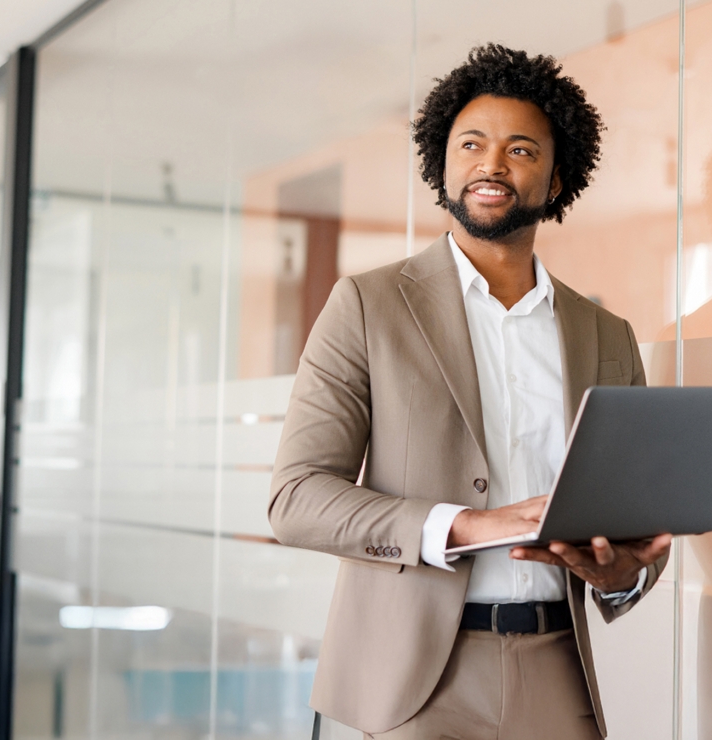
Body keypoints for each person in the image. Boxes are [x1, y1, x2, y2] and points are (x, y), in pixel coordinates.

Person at [269, 44, 671, 739]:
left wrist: (622, 572)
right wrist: (466, 526)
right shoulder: (368, 305)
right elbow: (296, 498)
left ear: (556, 178)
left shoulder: (606, 334)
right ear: (443, 163)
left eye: (520, 149)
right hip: (410, 684)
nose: (491, 164)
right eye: (472, 144)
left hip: (558, 670)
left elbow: (624, 525)